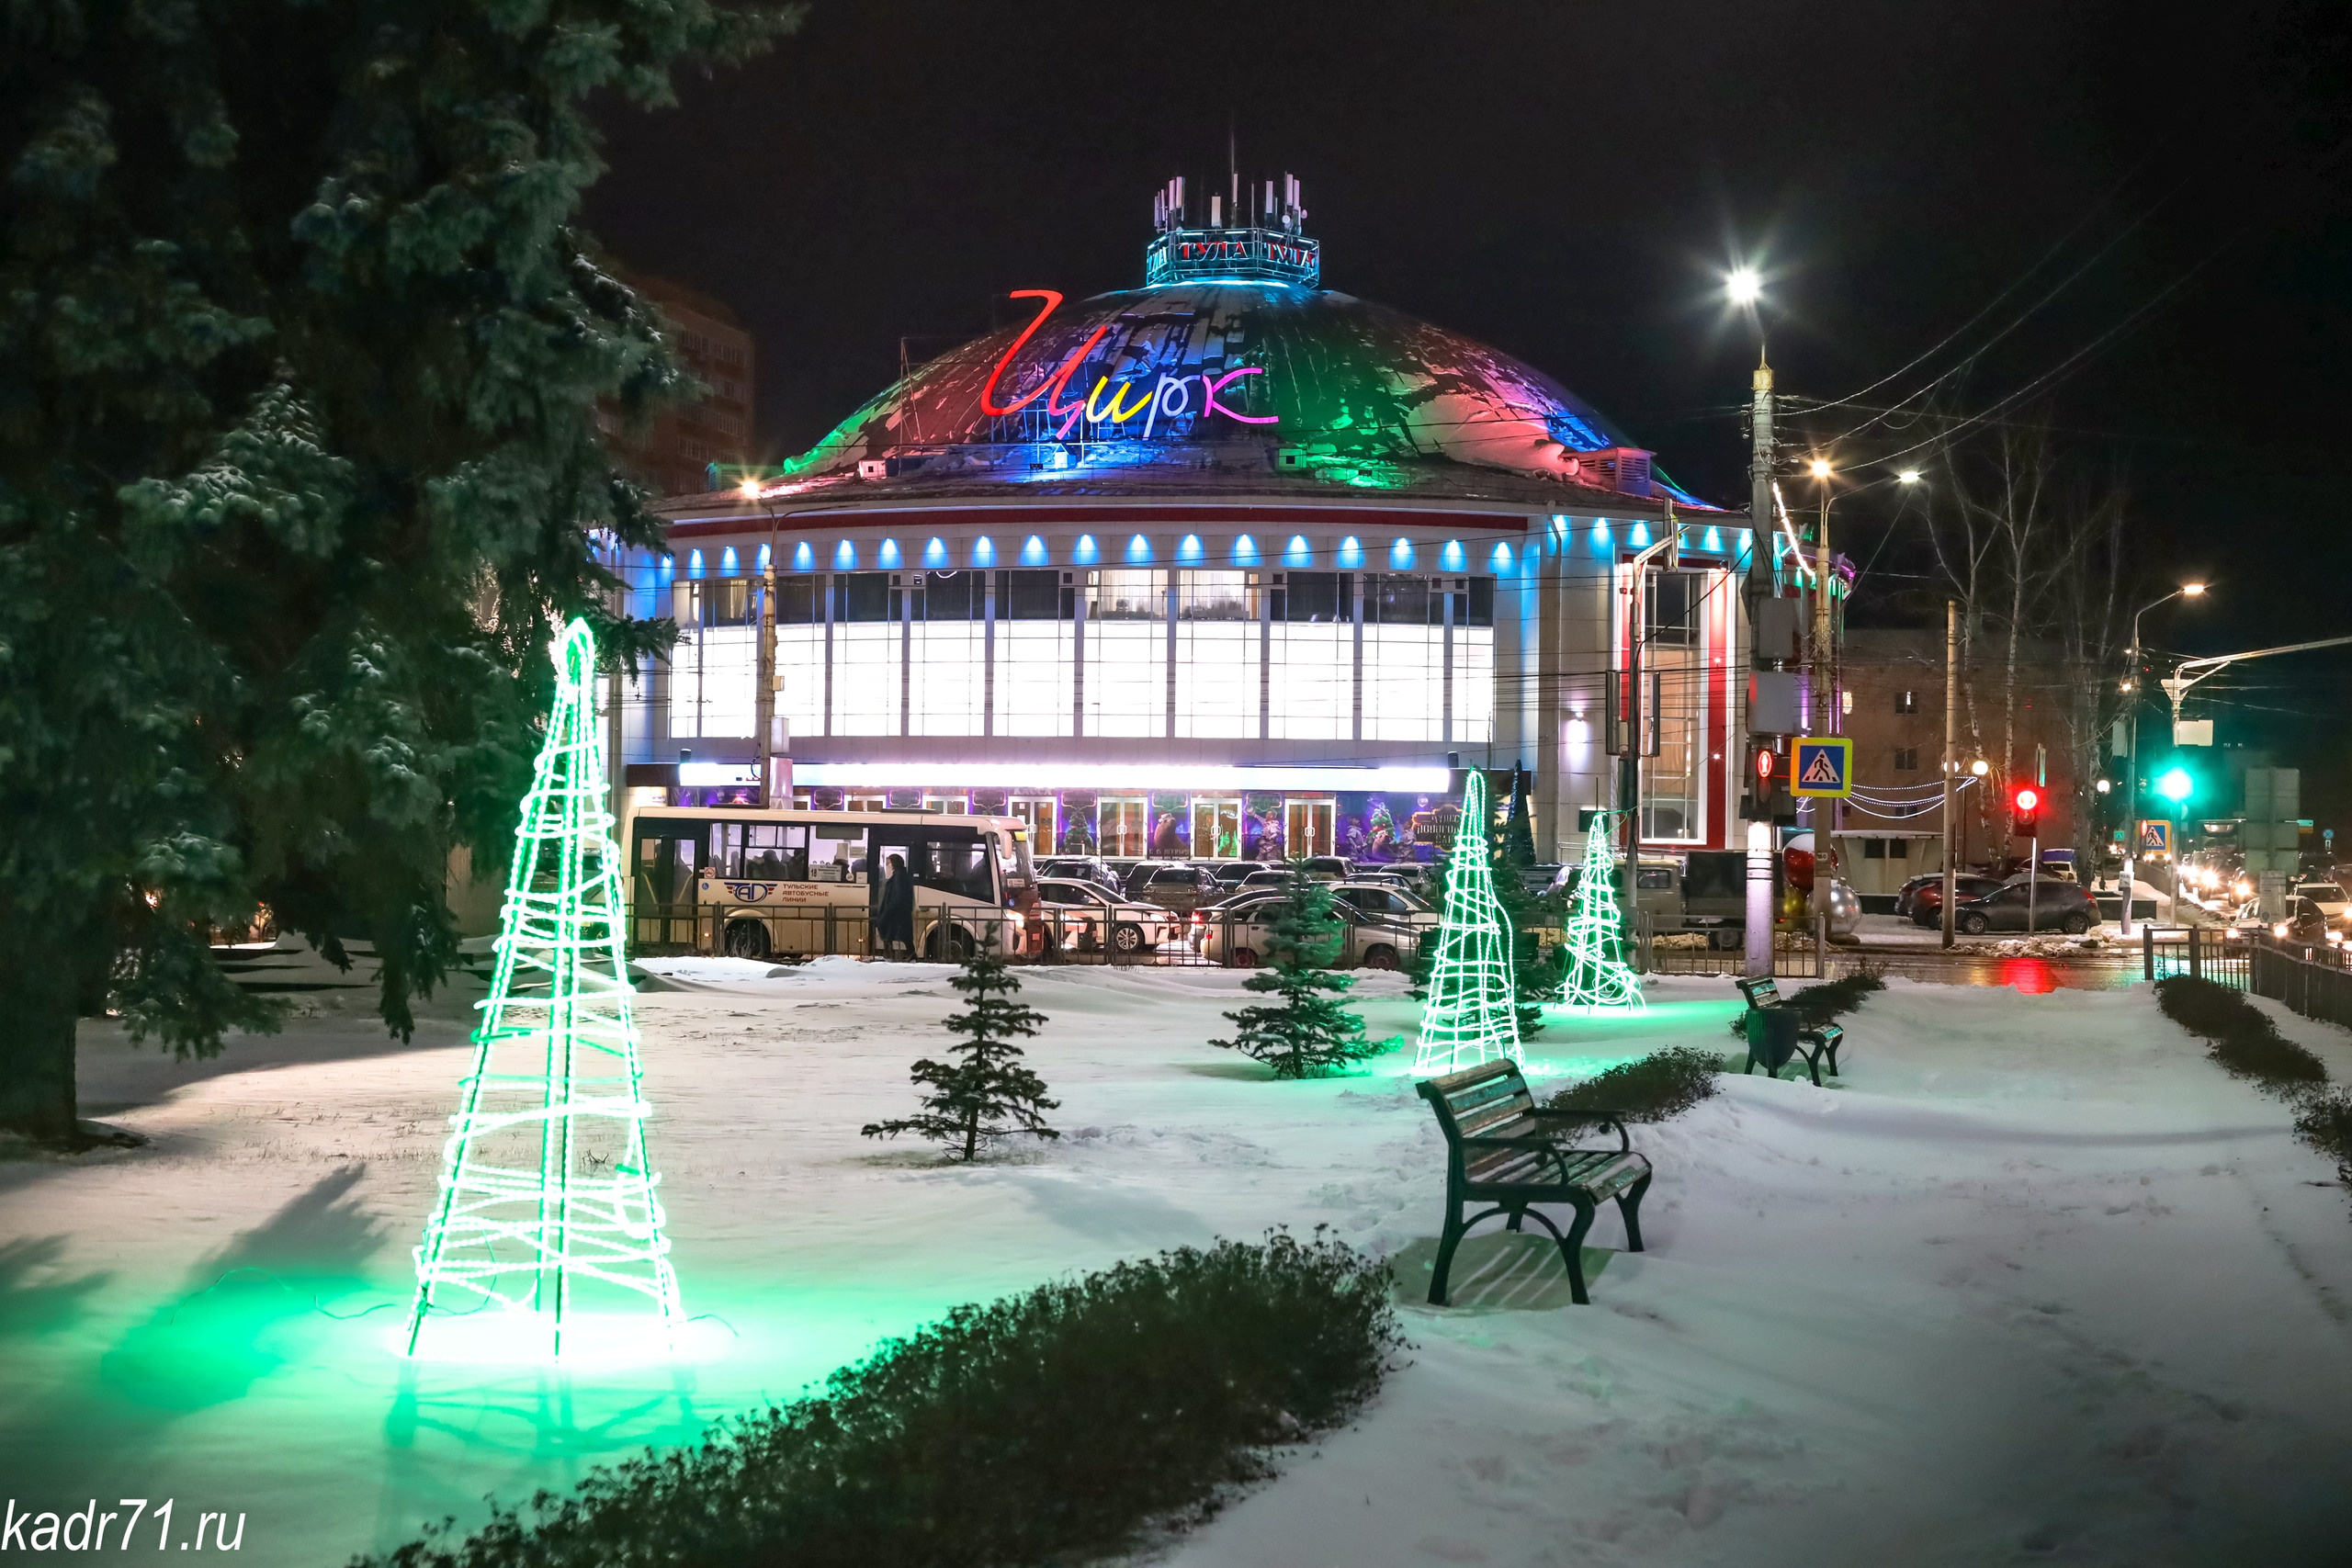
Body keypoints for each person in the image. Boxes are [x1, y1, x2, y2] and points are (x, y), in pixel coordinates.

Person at [877, 853, 915, 958]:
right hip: (898, 911)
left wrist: (890, 908)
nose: (888, 865)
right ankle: (904, 954)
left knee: (887, 930)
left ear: (894, 863)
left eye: (889, 863)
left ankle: (890, 955)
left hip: (895, 911)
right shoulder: (900, 874)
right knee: (897, 934)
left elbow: (898, 895)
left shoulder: (899, 876)